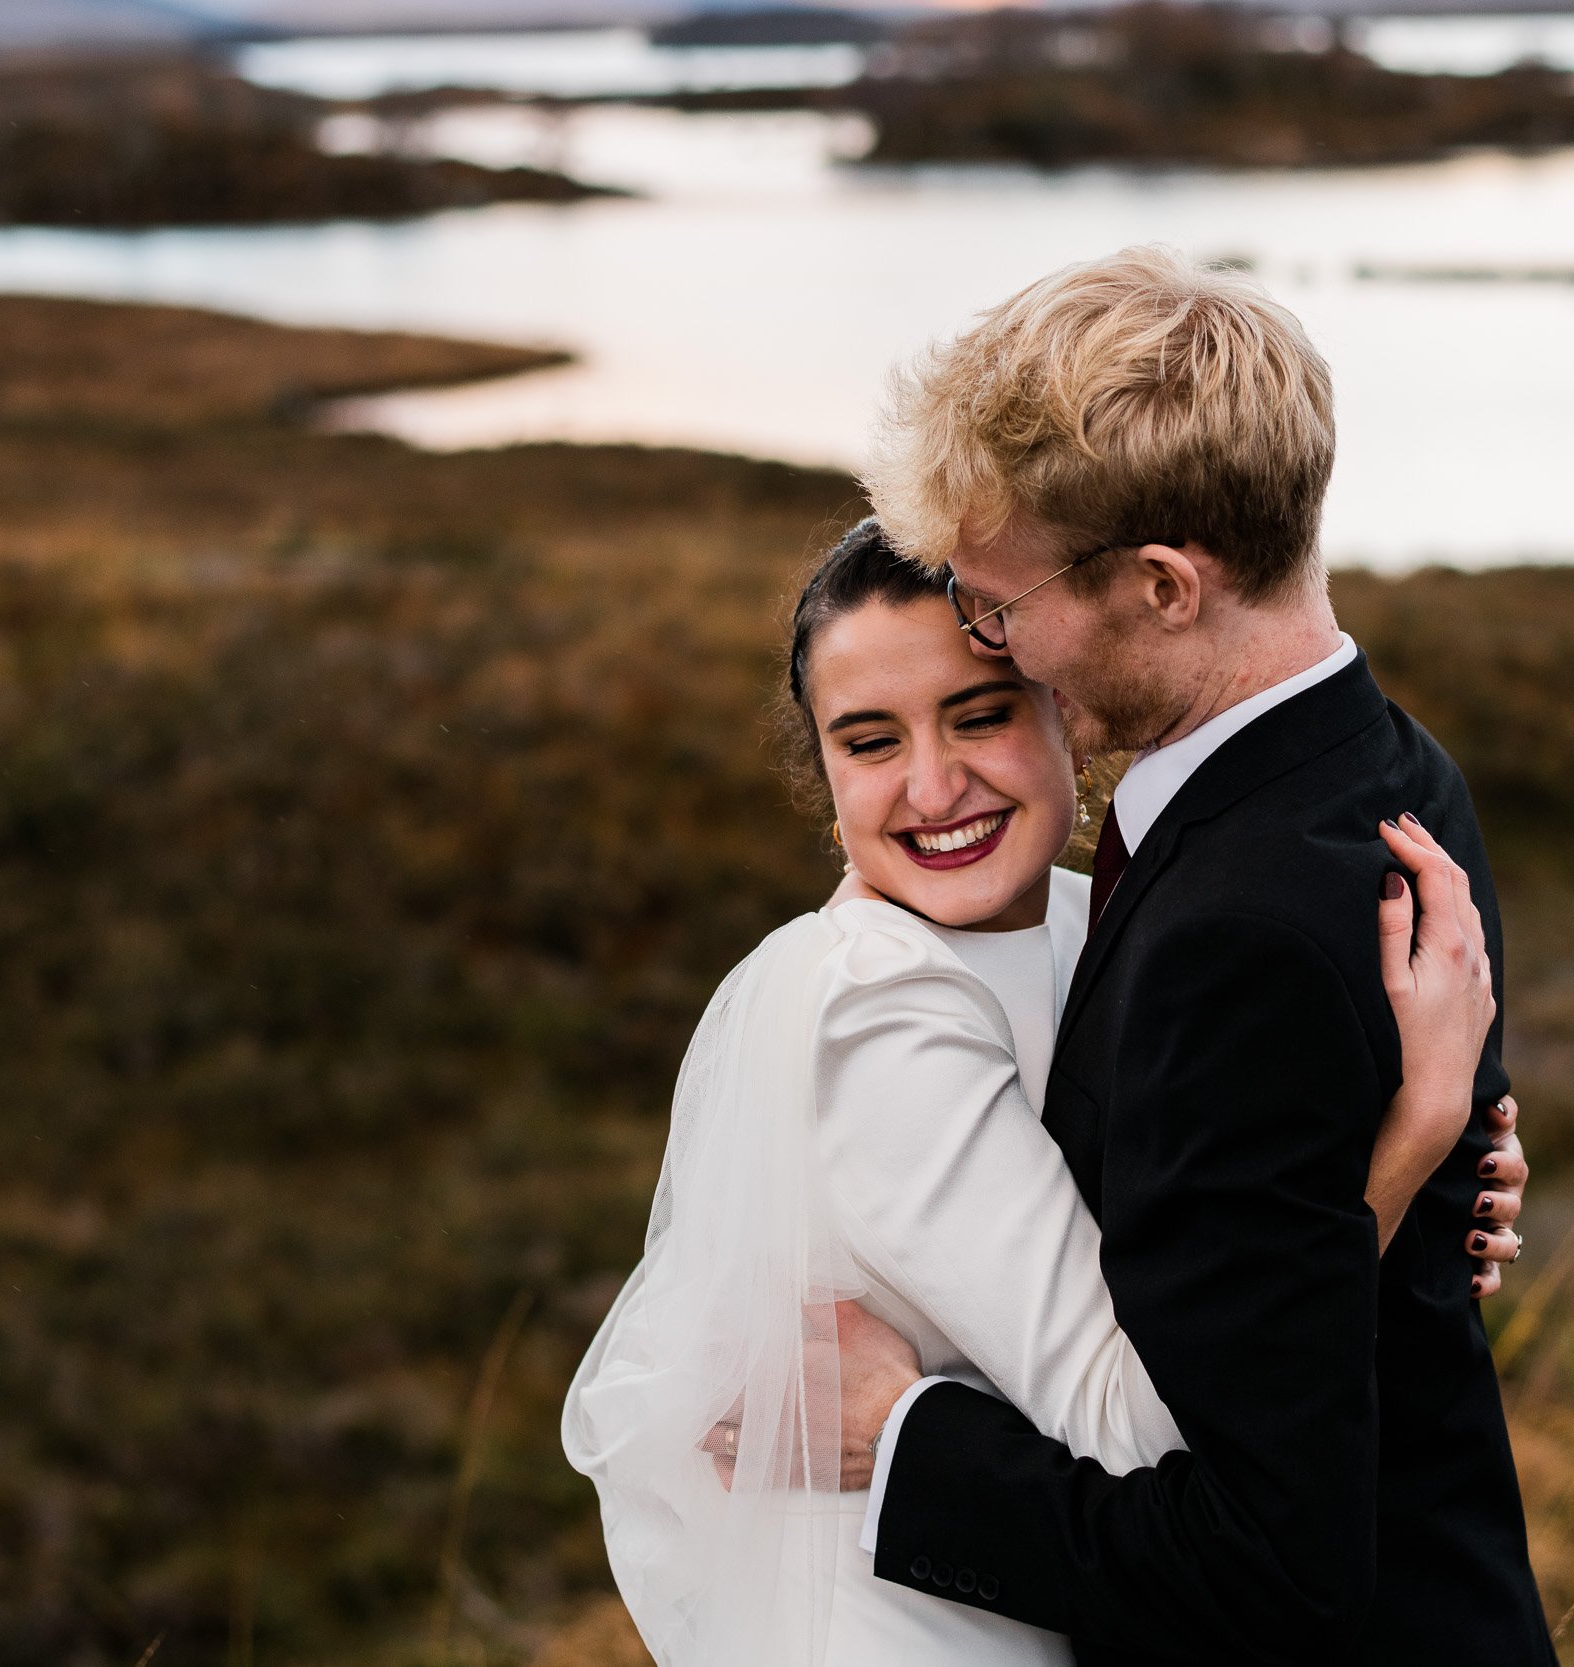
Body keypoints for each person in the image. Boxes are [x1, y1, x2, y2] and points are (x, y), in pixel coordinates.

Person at [561, 518, 1524, 1665]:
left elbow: (1201, 1215)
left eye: (980, 714)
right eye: (869, 742)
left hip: (1058, 1593)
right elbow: (1146, 1421)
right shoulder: (875, 1013)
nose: (933, 785)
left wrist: (1409, 1190)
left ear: (1062, 701)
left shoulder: (1096, 922)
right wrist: (1402, 1154)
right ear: (823, 776)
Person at [829, 246, 1558, 1665]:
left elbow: (1262, 1568)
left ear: (1164, 583)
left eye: (1001, 602)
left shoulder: (1239, 937)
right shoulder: (1391, 766)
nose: (994, 643)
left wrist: (903, 1442)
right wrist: (1402, 1185)